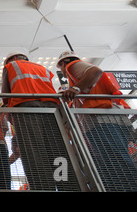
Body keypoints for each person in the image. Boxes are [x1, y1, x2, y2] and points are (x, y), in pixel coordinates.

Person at [57, 50, 137, 191]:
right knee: (113, 162)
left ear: (63, 63)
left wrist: (75, 88)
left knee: (117, 160)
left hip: (103, 119)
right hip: (109, 118)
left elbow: (96, 71)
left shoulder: (72, 66)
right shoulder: (77, 78)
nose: (62, 71)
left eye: (61, 67)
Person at [1, 51, 75, 191]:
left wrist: (8, 107)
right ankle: (68, 186)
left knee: (33, 151)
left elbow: (5, 94)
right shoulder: (42, 68)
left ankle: (43, 188)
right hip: (51, 109)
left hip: (26, 107)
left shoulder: (11, 66)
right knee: (57, 150)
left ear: (13, 59)